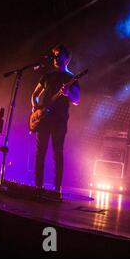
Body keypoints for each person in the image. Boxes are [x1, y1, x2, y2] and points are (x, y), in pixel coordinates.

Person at [31, 45, 80, 198]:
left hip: (59, 120)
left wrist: (67, 93)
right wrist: (35, 108)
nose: (56, 58)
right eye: (54, 56)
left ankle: (56, 189)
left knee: (57, 152)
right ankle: (38, 186)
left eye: (59, 55)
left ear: (67, 58)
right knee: (40, 152)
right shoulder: (47, 76)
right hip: (43, 119)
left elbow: (76, 99)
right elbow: (34, 94)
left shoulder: (71, 78)